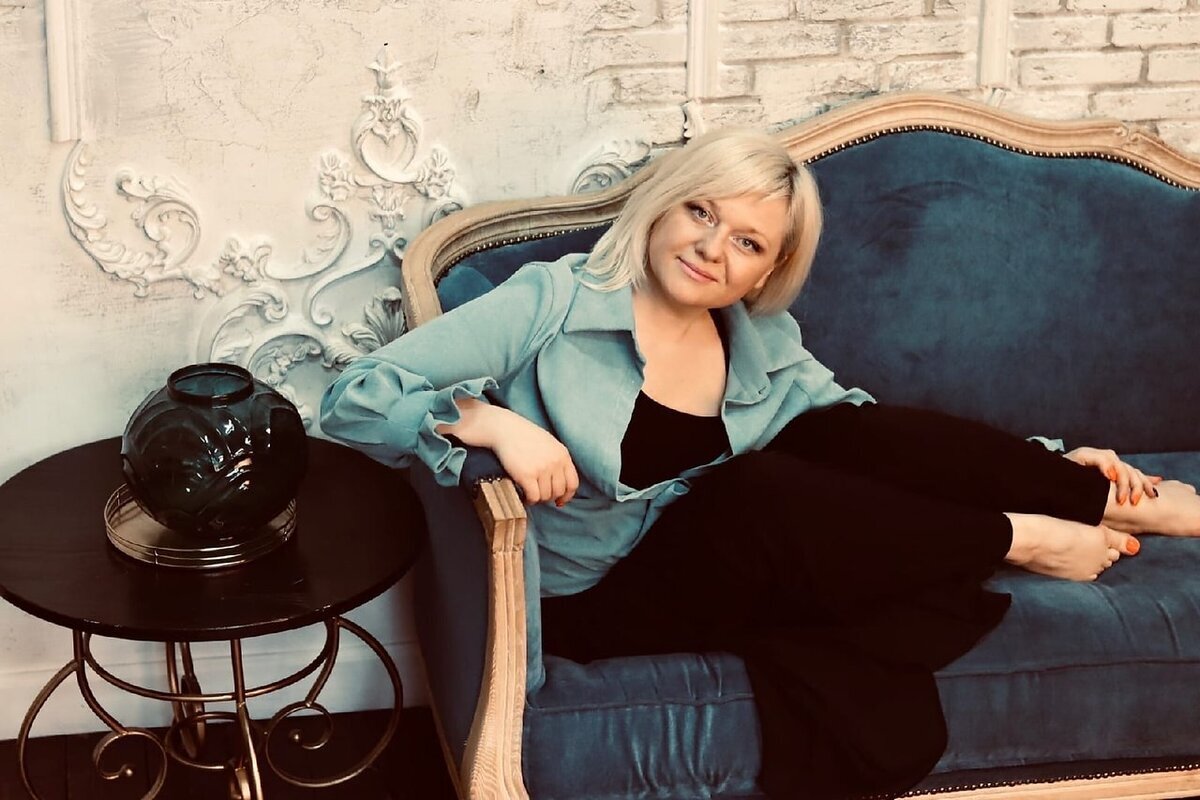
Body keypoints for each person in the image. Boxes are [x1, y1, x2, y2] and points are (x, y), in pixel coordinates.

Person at [320, 128, 1200, 799]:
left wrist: (1050, 460)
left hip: (717, 569)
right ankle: (1019, 539)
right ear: (665, 205)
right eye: (702, 213)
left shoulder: (761, 340)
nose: (713, 248)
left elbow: (882, 440)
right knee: (761, 487)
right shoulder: (553, 300)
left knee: (847, 432)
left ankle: (1099, 498)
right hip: (595, 604)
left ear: (766, 270)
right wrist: (491, 423)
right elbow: (353, 397)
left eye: (748, 242)